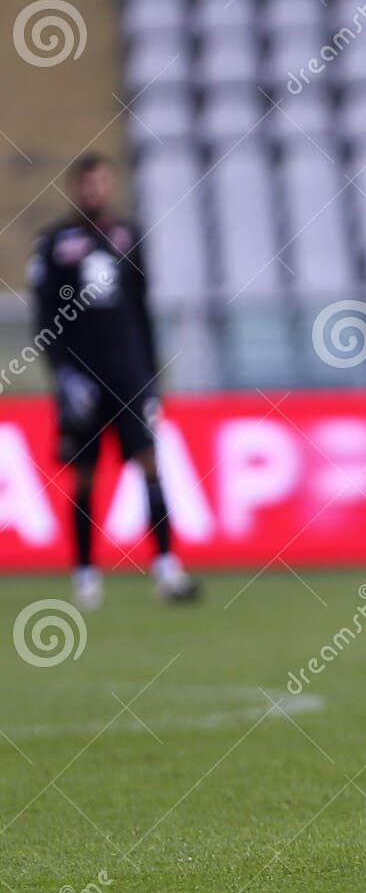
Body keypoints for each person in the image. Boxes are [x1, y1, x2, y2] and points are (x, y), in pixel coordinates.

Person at [29, 153, 198, 607]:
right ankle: (86, 576)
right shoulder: (53, 243)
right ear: (74, 188)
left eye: (101, 182)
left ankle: (167, 570)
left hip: (127, 377)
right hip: (81, 377)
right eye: (86, 184)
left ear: (108, 186)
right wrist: (62, 373)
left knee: (148, 464)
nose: (94, 191)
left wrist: (150, 377)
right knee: (84, 477)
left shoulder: (128, 238)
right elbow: (44, 317)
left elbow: (141, 311)